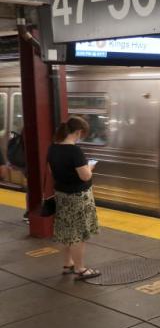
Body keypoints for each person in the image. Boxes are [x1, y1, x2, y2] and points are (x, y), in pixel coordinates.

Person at [47, 116, 100, 280]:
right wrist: (90, 166)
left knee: (67, 231)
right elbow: (85, 176)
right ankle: (80, 269)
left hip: (62, 195)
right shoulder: (74, 151)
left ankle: (68, 264)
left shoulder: (53, 148)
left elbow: (51, 172)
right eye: (82, 134)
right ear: (78, 132)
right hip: (78, 197)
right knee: (79, 234)